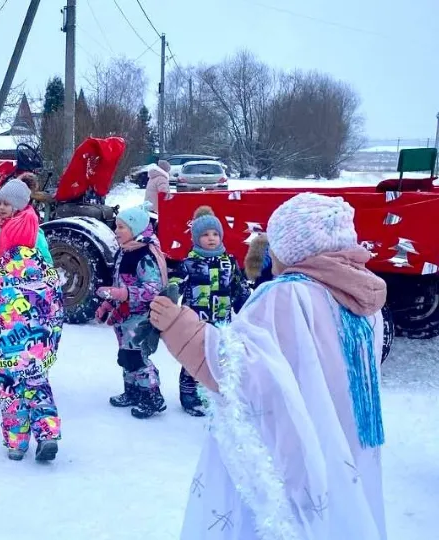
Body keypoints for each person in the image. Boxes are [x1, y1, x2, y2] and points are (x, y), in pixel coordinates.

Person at [152, 193, 388, 539]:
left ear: (293, 248)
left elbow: (247, 376)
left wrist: (180, 327)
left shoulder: (287, 296)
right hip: (344, 459)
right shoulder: (365, 301)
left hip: (290, 464)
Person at [0, 206, 64, 462]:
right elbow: (58, 313)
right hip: (39, 347)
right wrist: (54, 341)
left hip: (8, 350)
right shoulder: (49, 274)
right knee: (39, 389)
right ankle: (47, 434)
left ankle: (17, 444)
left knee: (12, 395)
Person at [168, 206, 250, 417]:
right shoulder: (189, 263)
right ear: (196, 238)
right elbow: (177, 282)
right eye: (205, 235)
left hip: (222, 322)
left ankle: (216, 392)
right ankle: (189, 396)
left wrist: (248, 308)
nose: (211, 238)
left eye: (215, 234)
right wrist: (170, 293)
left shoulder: (229, 262)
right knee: (193, 359)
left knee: (220, 358)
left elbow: (239, 289)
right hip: (195, 323)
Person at [96, 204, 169, 419]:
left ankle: (152, 396)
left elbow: (152, 289)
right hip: (125, 315)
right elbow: (120, 281)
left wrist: (121, 294)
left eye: (121, 227)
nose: (116, 230)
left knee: (137, 357)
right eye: (116, 226)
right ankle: (133, 391)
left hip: (141, 316)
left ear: (136, 229)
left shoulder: (144, 255)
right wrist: (108, 304)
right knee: (126, 355)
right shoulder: (127, 249)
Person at [0, 178, 52, 266]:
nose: (1, 207)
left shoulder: (31, 229)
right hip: (2, 277)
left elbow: (46, 261)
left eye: (6, 204)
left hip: (27, 277)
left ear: (17, 206)